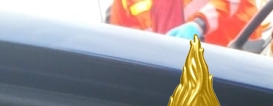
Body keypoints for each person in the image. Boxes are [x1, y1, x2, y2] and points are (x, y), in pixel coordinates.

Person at [110, 0, 261, 46]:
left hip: (229, 66)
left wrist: (199, 24)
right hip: (165, 77)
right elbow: (118, 44)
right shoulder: (124, 2)